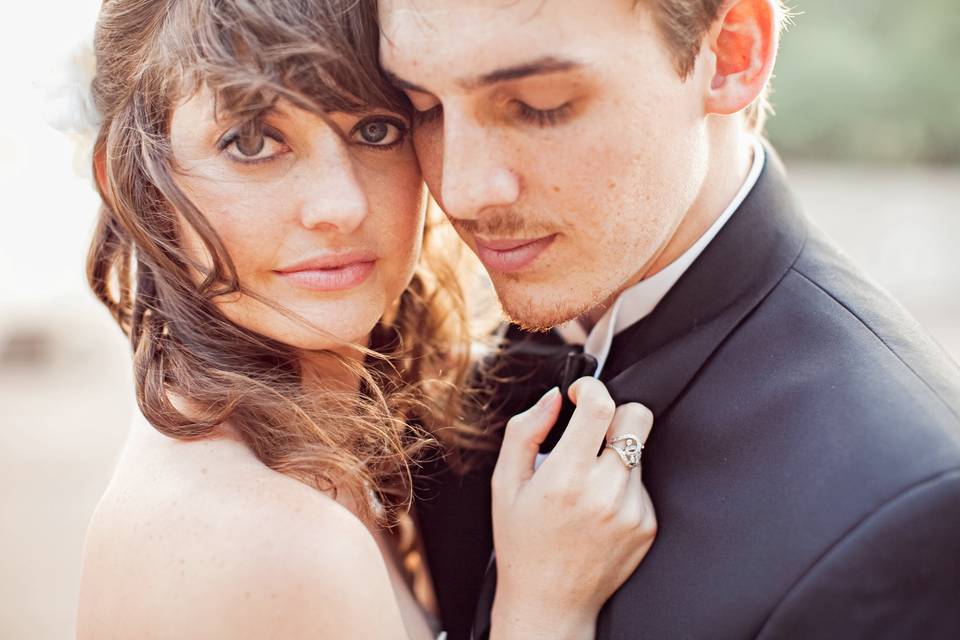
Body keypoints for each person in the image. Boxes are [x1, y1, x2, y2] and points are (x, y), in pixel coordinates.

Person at [376, 0, 960, 638]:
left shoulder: (906, 513)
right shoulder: (422, 361)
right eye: (422, 107)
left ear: (732, 54)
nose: (459, 189)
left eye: (539, 103)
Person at [76, 1, 658, 639]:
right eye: (251, 142)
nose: (341, 205)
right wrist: (544, 608)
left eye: (377, 130)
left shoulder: (341, 452)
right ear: (132, 182)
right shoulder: (269, 543)